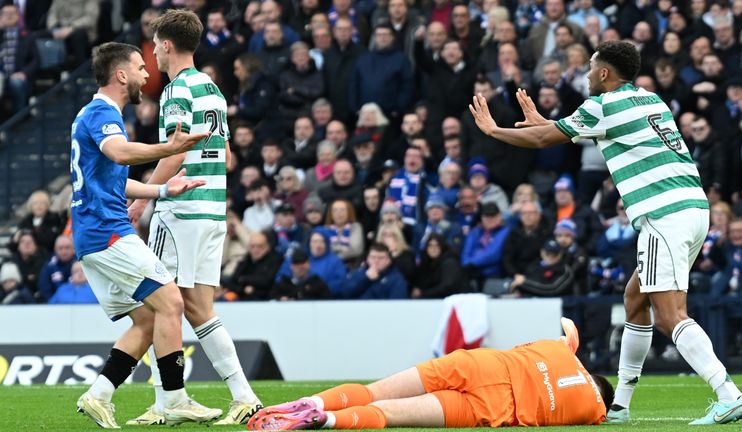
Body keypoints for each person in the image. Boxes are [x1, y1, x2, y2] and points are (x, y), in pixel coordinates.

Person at [468, 40, 742, 425]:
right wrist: (546, 123)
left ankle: (728, 393)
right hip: (693, 208)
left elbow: (542, 141)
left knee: (670, 315)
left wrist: (492, 130)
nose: (585, 74)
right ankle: (620, 406)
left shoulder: (603, 106)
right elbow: (568, 130)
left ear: (604, 73)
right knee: (636, 297)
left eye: (589, 67)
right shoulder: (651, 100)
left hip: (661, 213)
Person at [71, 42, 218, 428]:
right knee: (171, 302)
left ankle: (99, 394)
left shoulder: (98, 115)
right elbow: (120, 154)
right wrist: (167, 148)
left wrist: (164, 191)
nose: (145, 74)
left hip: (96, 235)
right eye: (138, 67)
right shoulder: (102, 113)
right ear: (120, 75)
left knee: (148, 320)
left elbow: (116, 181)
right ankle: (174, 399)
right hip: (107, 233)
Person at [125, 10, 261, 426]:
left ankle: (168, 400)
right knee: (199, 309)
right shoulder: (213, 89)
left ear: (166, 45)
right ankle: (244, 396)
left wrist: (143, 199)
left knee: (157, 303)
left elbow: (177, 151)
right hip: (213, 209)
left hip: (182, 210)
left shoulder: (175, 91)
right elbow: (224, 153)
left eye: (154, 47)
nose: (153, 56)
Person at [247, 318, 610, 430]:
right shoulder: (595, 411)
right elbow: (609, 412)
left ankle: (310, 401)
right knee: (387, 414)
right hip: (497, 407)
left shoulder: (566, 351)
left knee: (375, 392)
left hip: (481, 364)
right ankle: (323, 420)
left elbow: (568, 330)